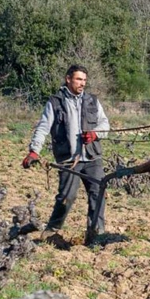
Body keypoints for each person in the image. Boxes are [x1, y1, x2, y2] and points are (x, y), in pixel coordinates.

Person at [22, 64, 111, 243]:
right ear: (68, 79)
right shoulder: (55, 102)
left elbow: (105, 124)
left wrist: (95, 134)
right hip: (69, 159)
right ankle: (52, 232)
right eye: (79, 79)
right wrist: (34, 151)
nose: (82, 83)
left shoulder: (92, 100)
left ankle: (96, 234)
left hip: (92, 157)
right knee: (66, 197)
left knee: (98, 193)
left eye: (84, 80)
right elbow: (43, 127)